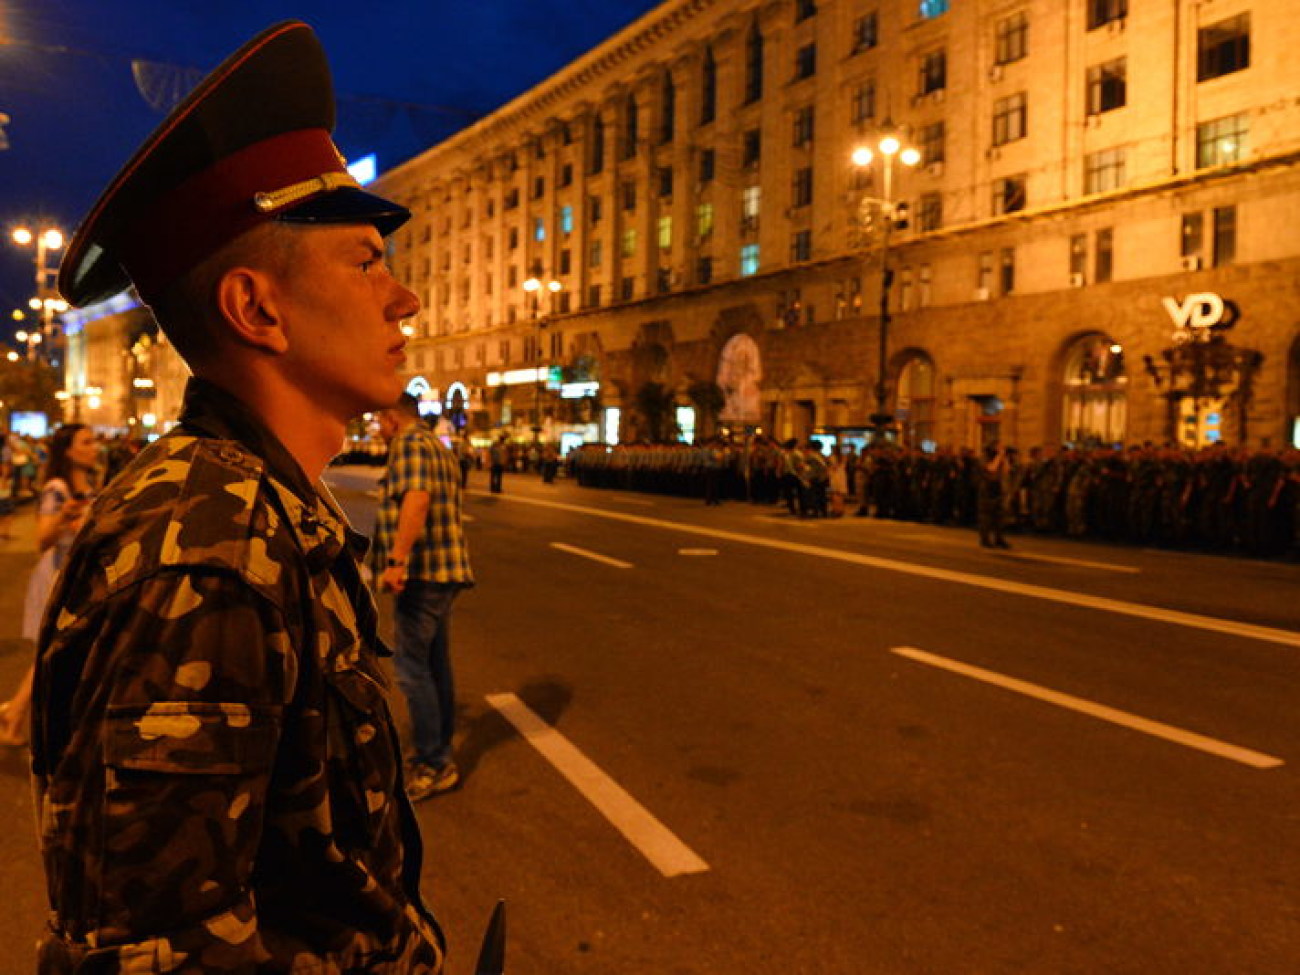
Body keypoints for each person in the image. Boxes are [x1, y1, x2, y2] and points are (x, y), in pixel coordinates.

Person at [30, 22, 445, 972]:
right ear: (257, 309)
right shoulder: (203, 543)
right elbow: (155, 950)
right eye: (367, 260)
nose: (405, 297)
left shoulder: (257, 506)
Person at [373, 394, 474, 800]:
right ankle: (440, 754)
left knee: (411, 669)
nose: (378, 428)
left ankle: (432, 762)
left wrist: (396, 560)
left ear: (392, 418)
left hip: (424, 573)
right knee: (434, 666)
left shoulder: (410, 445)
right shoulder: (436, 445)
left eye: (379, 420)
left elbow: (416, 500)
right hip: (443, 571)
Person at [0, 424, 98, 747]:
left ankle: (14, 715)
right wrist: (63, 518)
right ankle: (16, 715)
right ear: (68, 450)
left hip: (79, 575)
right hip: (57, 575)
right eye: (86, 441)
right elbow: (42, 540)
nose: (94, 447)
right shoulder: (57, 488)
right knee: (53, 651)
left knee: (55, 651)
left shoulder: (92, 485)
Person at [977, 443, 1012, 548]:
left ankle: (999, 538)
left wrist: (1004, 458)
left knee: (999, 516)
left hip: (998, 488)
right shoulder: (984, 458)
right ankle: (985, 539)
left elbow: (1007, 470)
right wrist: (999, 456)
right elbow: (991, 468)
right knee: (986, 516)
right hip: (987, 489)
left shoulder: (1000, 458)